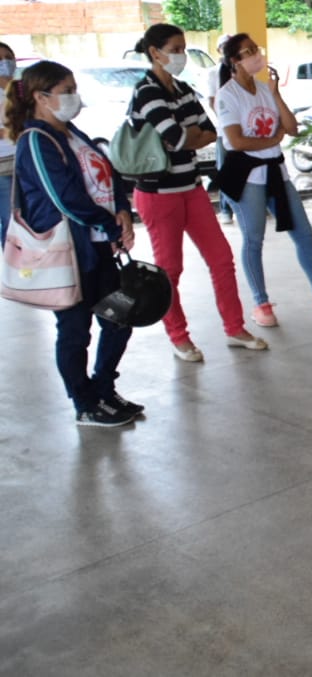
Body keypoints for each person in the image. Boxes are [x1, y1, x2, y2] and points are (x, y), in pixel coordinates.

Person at [5, 61, 142, 426]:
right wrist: (108, 225)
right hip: (70, 252)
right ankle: (84, 402)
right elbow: (63, 197)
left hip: (96, 245)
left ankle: (103, 389)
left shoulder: (70, 132)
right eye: (66, 91)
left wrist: (123, 210)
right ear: (40, 97)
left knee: (118, 317)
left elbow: (106, 175)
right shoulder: (36, 140)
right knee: (76, 329)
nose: (74, 97)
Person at [128, 24, 267, 361]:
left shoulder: (183, 89)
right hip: (159, 194)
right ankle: (179, 336)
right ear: (155, 53)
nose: (181, 54)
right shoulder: (146, 91)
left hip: (191, 187)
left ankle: (234, 328)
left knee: (221, 258)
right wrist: (187, 135)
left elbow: (209, 131)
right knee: (170, 270)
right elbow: (180, 138)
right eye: (175, 48)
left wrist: (186, 135)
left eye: (183, 48)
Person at [214, 33, 312, 325]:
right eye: (248, 52)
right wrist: (272, 139)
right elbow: (237, 141)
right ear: (234, 61)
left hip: (276, 174)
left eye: (256, 50)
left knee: (303, 233)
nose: (256, 55)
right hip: (247, 176)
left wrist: (276, 94)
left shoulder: (265, 90)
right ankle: (261, 304)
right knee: (253, 238)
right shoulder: (227, 95)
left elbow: (291, 128)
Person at [207, 34, 235, 225]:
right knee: (225, 170)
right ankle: (225, 209)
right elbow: (212, 101)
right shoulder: (213, 73)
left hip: (244, 130)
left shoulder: (240, 70)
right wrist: (227, 121)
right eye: (223, 46)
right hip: (223, 131)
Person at [0, 41, 16, 243]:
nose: (5, 62)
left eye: (8, 57)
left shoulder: (21, 90)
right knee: (11, 221)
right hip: (3, 168)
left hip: (24, 162)